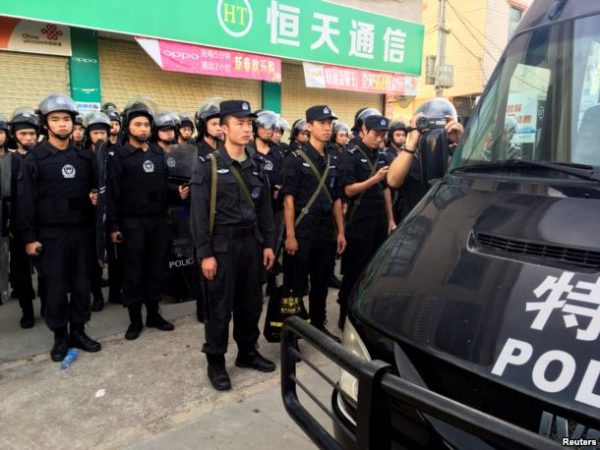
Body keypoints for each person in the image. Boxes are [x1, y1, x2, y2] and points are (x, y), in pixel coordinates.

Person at [190, 99, 276, 391]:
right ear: (223, 129)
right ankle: (215, 360)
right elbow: (199, 215)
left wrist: (267, 244)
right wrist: (205, 254)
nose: (246, 128)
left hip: (251, 244)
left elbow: (264, 208)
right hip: (222, 246)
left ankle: (247, 352)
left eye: (249, 123)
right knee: (219, 308)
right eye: (239, 123)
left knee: (250, 304)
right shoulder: (208, 166)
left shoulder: (257, 164)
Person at [19, 93, 101, 361]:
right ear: (46, 124)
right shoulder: (35, 159)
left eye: (67, 119)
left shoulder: (84, 158)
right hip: (50, 235)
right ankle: (60, 337)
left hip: (81, 233)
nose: (62, 124)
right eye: (56, 119)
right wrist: (29, 238)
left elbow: (94, 191)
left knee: (81, 285)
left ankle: (78, 331)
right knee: (54, 289)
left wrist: (93, 198)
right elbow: (25, 202)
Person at [107, 99, 188, 341]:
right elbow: (112, 193)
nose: (143, 129)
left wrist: (176, 192)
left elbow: (163, 183)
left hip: (158, 222)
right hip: (131, 224)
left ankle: (154, 314)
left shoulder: (157, 152)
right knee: (133, 272)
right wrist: (112, 227)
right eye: (137, 124)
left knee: (156, 269)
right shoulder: (119, 156)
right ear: (127, 127)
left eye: (146, 125)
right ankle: (135, 320)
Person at [280, 105, 346, 341]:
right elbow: (288, 200)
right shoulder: (295, 159)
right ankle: (293, 334)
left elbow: (337, 198)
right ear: (309, 127)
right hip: (301, 231)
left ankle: (318, 325)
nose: (327, 127)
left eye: (330, 123)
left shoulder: (334, 158)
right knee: (295, 285)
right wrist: (290, 235)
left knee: (320, 283)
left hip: (325, 232)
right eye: (322, 123)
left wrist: (341, 232)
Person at [338, 114, 396, 329]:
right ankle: (345, 313)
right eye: (375, 134)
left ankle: (366, 313)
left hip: (379, 220)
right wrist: (374, 179)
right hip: (358, 222)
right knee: (354, 270)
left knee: (375, 269)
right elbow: (348, 190)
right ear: (363, 130)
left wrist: (390, 219)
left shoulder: (382, 156)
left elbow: (386, 190)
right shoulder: (351, 155)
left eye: (383, 135)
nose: (380, 139)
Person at [7, 108, 42, 326]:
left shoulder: (43, 157)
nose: (28, 138)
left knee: (47, 270)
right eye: (23, 134)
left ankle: (48, 305)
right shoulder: (8, 162)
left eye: (31, 133)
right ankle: (27, 310)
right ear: (14, 135)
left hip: (44, 222)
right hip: (17, 225)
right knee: (21, 272)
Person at [249, 110, 285, 295]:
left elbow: (283, 177)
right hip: (252, 209)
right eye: (264, 126)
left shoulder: (277, 153)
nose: (269, 130)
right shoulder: (248, 151)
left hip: (274, 209)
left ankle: (271, 279)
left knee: (273, 244)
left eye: (272, 127)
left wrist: (280, 188)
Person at [83, 111, 112, 312]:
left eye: (102, 132)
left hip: (112, 211)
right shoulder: (82, 156)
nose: (99, 137)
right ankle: (97, 295)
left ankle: (117, 291)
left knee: (116, 255)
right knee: (93, 257)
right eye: (95, 133)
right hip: (90, 215)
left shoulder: (115, 154)